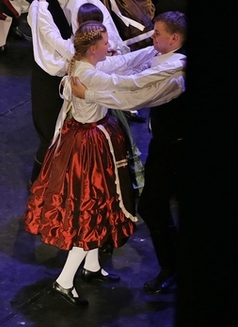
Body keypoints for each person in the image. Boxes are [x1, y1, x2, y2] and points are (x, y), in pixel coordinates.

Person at [24, 21, 184, 307]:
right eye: (105, 44)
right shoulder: (87, 73)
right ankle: (64, 281)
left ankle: (92, 265)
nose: (110, 48)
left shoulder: (86, 64)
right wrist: (172, 67)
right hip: (87, 147)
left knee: (101, 204)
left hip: (91, 139)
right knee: (89, 208)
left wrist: (155, 55)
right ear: (93, 49)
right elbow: (124, 85)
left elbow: (120, 64)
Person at [71, 11, 187, 294]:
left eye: (157, 33)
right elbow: (131, 63)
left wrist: (89, 93)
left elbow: (134, 93)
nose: (152, 36)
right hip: (164, 143)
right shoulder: (163, 53)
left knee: (152, 206)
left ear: (174, 39)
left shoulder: (175, 75)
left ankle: (172, 268)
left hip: (175, 147)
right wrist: (100, 65)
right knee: (153, 205)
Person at [27, 0, 126, 185]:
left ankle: (68, 188)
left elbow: (105, 30)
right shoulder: (40, 8)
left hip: (82, 79)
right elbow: (49, 48)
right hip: (51, 79)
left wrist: (107, 51)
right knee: (50, 135)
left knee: (78, 138)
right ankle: (38, 184)